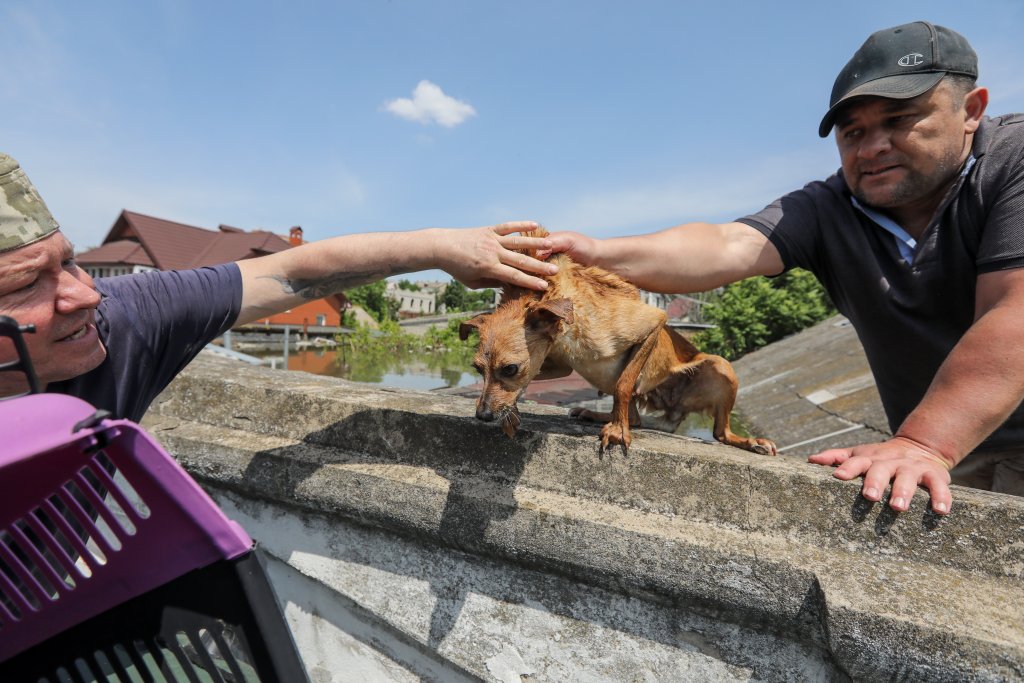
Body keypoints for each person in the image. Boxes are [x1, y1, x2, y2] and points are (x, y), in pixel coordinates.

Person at [544, 21, 1024, 516]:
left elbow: (1014, 315)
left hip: (941, 441)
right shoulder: (829, 206)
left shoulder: (1014, 160)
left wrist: (924, 443)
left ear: (971, 111)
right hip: (945, 456)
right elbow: (728, 244)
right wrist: (594, 252)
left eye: (900, 119)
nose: (871, 147)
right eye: (852, 131)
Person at [0, 151, 556, 423]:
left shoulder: (120, 323)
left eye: (70, 263)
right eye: (26, 283)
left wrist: (442, 248)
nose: (86, 294)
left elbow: (286, 272)